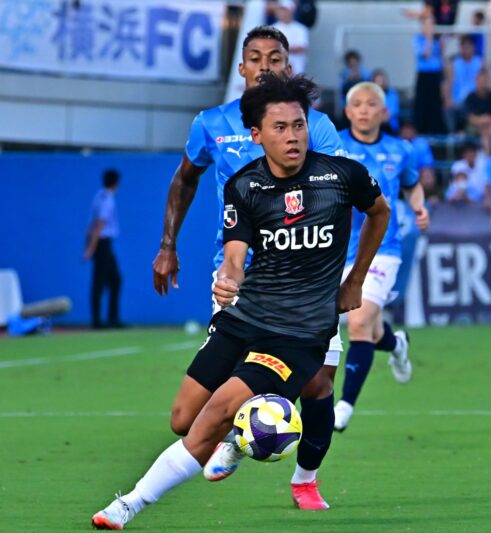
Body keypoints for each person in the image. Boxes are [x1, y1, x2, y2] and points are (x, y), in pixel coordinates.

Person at [91, 73, 391, 530]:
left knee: (215, 412)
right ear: (256, 135)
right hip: (245, 316)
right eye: (280, 128)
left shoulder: (341, 175)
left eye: (299, 125)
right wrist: (228, 281)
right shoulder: (245, 186)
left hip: (300, 332)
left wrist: (355, 280)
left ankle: (128, 504)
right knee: (182, 419)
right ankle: (236, 430)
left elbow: (380, 212)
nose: (292, 136)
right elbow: (234, 256)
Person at [151, 26, 344, 510]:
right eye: (254, 57)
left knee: (318, 382)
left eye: (274, 58)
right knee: (184, 420)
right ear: (241, 69)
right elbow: (184, 179)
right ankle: (240, 436)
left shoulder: (313, 126)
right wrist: (167, 244)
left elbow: (338, 195)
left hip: (304, 282)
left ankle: (305, 479)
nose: (264, 66)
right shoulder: (211, 123)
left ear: (287, 67)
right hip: (237, 280)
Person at [332, 82, 429, 432]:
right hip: (338, 249)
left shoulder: (400, 149)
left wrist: (419, 207)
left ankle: (344, 405)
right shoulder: (334, 145)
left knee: (357, 323)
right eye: (356, 104)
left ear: (383, 112)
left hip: (382, 249)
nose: (363, 109)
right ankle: (396, 342)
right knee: (367, 327)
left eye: (371, 104)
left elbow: (412, 183)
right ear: (347, 111)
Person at [83, 169, 122, 329]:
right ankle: (98, 321)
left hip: (102, 243)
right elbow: (99, 224)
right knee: (100, 282)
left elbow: (91, 224)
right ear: (115, 183)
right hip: (102, 243)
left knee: (115, 280)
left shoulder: (99, 196)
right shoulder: (107, 200)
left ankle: (111, 318)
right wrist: (91, 248)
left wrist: (88, 244)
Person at [412, 14, 446, 133]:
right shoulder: (418, 39)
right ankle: (420, 130)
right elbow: (425, 55)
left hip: (435, 76)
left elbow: (440, 56)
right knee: (422, 105)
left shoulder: (437, 40)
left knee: (435, 105)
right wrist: (429, 38)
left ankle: (435, 131)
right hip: (424, 76)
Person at [444, 35, 483, 133]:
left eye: (469, 46)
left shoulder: (480, 62)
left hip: (475, 100)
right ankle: (453, 135)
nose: (466, 49)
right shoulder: (453, 63)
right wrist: (448, 99)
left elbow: (484, 82)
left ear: (473, 47)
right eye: (463, 46)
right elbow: (448, 82)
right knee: (448, 107)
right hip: (458, 101)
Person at [464, 69, 491, 152]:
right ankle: (488, 156)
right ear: (476, 81)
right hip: (475, 125)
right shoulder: (471, 97)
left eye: (484, 80)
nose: (482, 83)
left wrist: (490, 120)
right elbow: (469, 117)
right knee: (485, 131)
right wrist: (482, 120)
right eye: (480, 81)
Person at [273, 1, 309, 75]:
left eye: (285, 10)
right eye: (281, 10)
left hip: (296, 68)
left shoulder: (301, 29)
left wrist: (280, 48)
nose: (283, 13)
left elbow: (302, 47)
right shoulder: (272, 28)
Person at [372, 69, 401, 134]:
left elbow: (387, 117)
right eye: (378, 81)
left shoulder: (392, 94)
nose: (381, 83)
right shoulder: (369, 96)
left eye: (382, 80)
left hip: (389, 128)